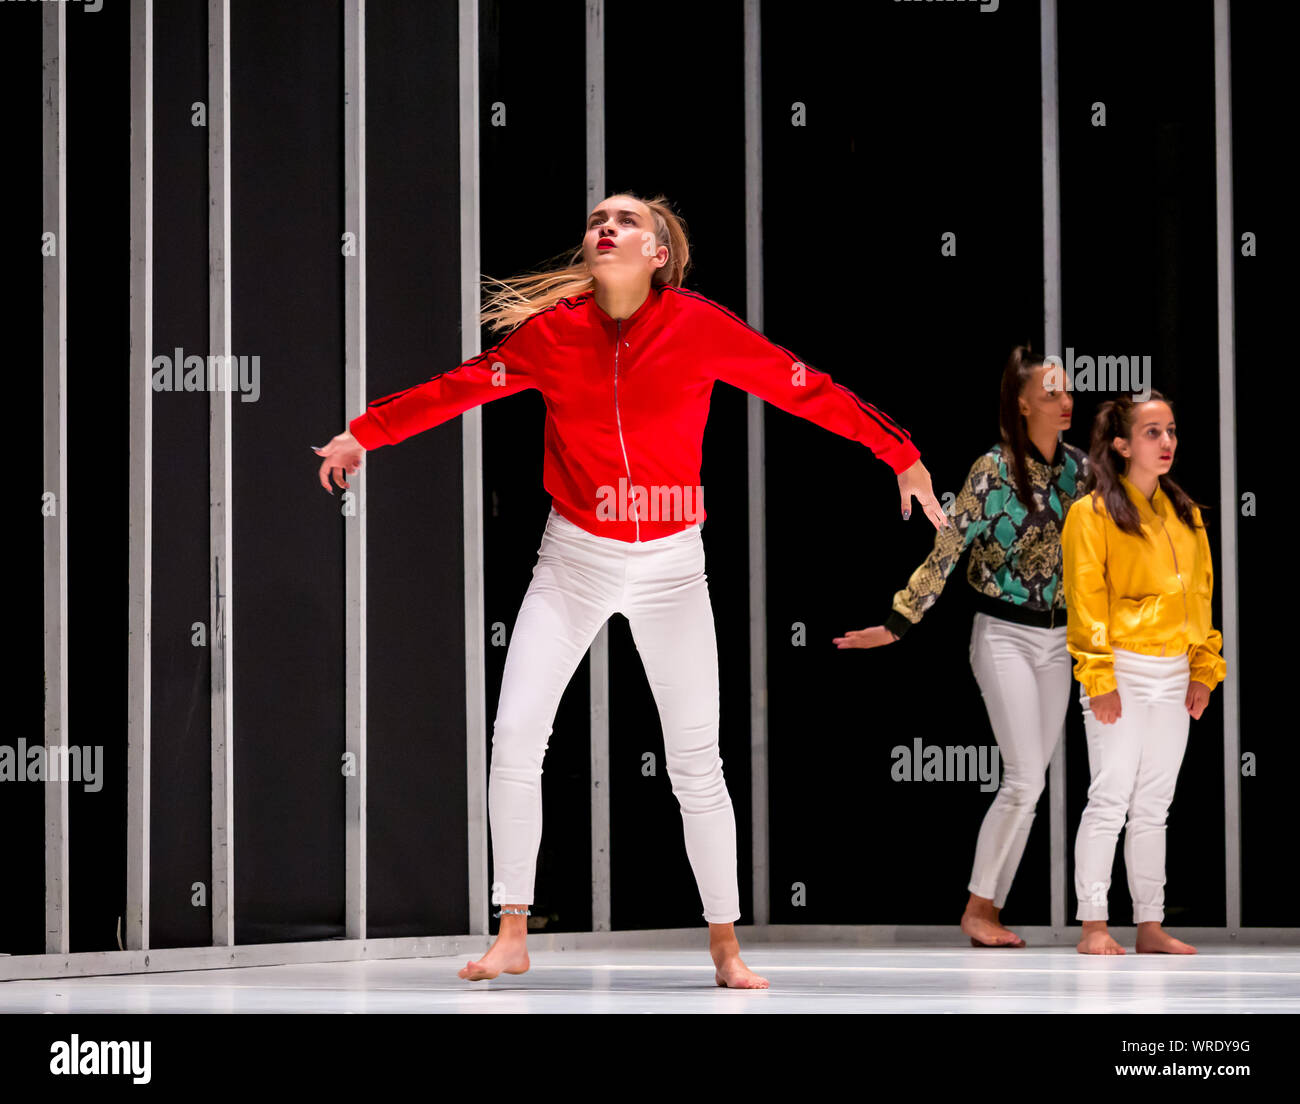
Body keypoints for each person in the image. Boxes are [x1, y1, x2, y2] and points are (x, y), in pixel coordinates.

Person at [313, 192, 945, 988]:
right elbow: (459, 387)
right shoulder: (553, 335)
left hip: (673, 568)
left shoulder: (700, 326)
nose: (605, 227)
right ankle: (513, 929)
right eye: (595, 221)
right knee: (515, 741)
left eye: (627, 221)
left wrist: (900, 452)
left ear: (658, 254)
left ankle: (725, 944)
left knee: (696, 763)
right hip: (573, 561)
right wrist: (365, 432)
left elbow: (804, 387)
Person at [835, 346, 1087, 947]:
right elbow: (948, 546)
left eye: (1068, 389)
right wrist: (900, 620)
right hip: (1002, 633)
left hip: (1061, 640)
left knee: (1033, 783)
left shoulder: (1080, 470)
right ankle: (979, 910)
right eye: (1052, 391)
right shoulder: (992, 470)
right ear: (1023, 403)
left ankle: (987, 907)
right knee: (1025, 778)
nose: (1065, 400)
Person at [1062, 391, 1225, 955]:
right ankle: (1093, 925)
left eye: (1172, 431)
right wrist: (1099, 676)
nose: (1167, 442)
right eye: (1153, 433)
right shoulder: (1092, 513)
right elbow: (1086, 599)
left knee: (1155, 805)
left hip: (1174, 671)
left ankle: (1150, 925)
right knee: (1109, 799)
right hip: (1123, 670)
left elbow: (1201, 597)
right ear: (1122, 444)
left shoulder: (1186, 514)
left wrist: (1204, 669)